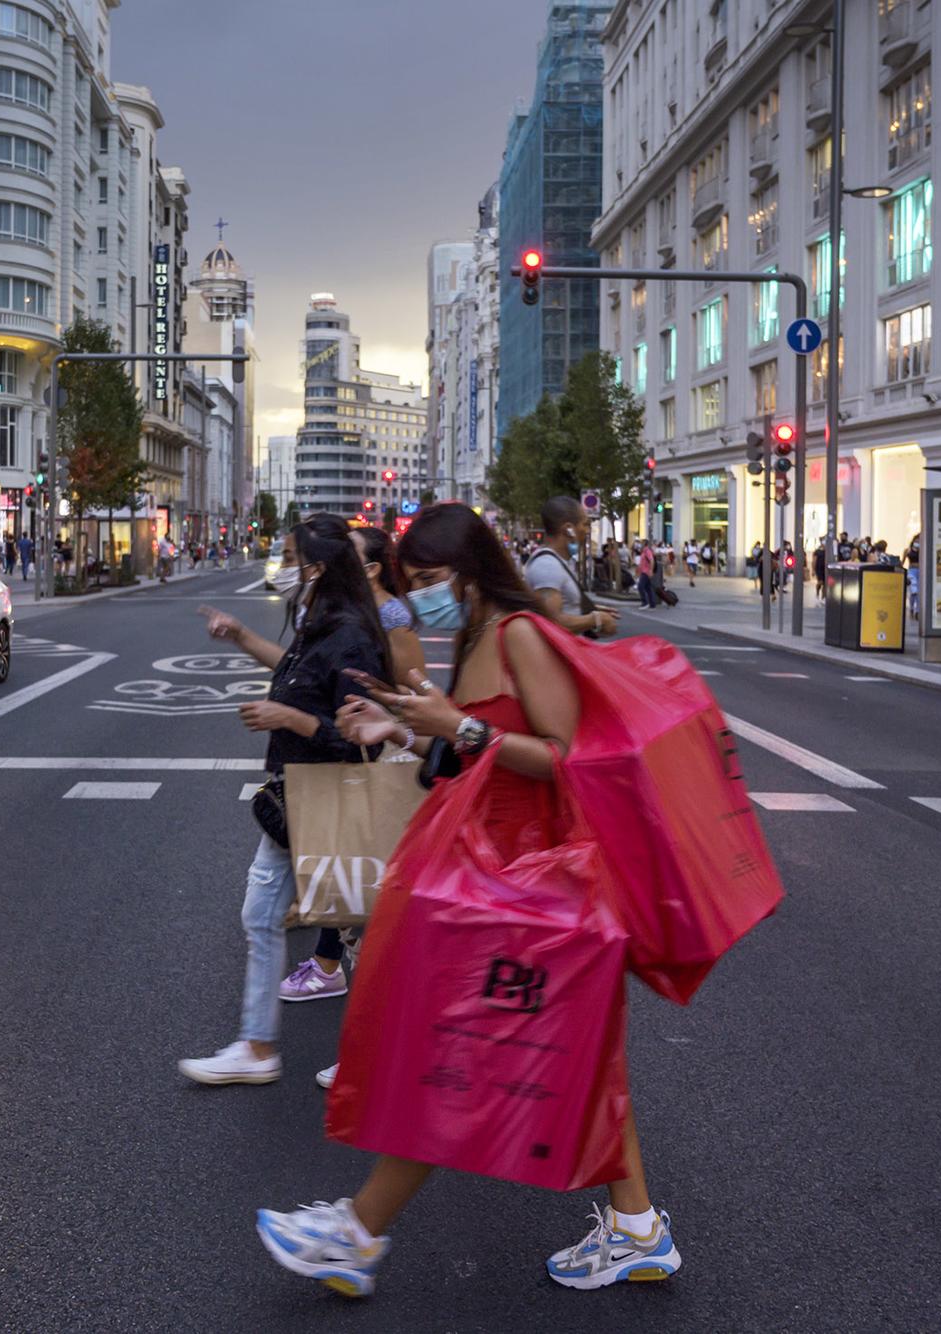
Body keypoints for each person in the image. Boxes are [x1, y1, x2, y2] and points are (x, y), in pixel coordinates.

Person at [256, 502, 681, 1298]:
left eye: (429, 581)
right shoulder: (480, 636)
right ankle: (637, 1228)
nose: (420, 598)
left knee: (459, 1053)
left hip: (534, 881)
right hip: (499, 874)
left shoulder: (520, 633)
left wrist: (457, 727)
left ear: (468, 571)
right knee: (572, 1050)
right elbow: (471, 747)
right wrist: (402, 729)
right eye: (413, 584)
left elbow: (564, 757)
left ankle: (356, 1232)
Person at [180, 515, 389, 1087]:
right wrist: (242, 636)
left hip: (329, 798)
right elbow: (297, 673)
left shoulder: (351, 634)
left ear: (318, 567)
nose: (287, 565)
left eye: (294, 556)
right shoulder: (321, 623)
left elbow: (355, 735)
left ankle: (369, 1055)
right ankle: (258, 1045)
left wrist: (287, 716)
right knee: (271, 915)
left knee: (362, 933)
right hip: (298, 797)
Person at [280, 524, 428, 1079]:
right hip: (366, 758)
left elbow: (416, 698)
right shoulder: (339, 616)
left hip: (381, 766)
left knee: (377, 915)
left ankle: (379, 1053)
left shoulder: (387, 620)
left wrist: (391, 726)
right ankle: (369, 1037)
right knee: (362, 906)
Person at [525, 496, 618, 639]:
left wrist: (585, 609)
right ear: (569, 529)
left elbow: (563, 606)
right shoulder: (547, 566)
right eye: (585, 524)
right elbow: (551, 621)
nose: (587, 531)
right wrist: (597, 619)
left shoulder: (559, 562)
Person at [635, 540, 657, 609]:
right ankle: (652, 604)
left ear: (645, 544)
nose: (640, 544)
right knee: (648, 588)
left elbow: (652, 560)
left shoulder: (647, 551)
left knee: (640, 586)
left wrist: (650, 570)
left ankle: (645, 602)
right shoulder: (644, 552)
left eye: (642, 543)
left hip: (646, 572)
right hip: (644, 571)